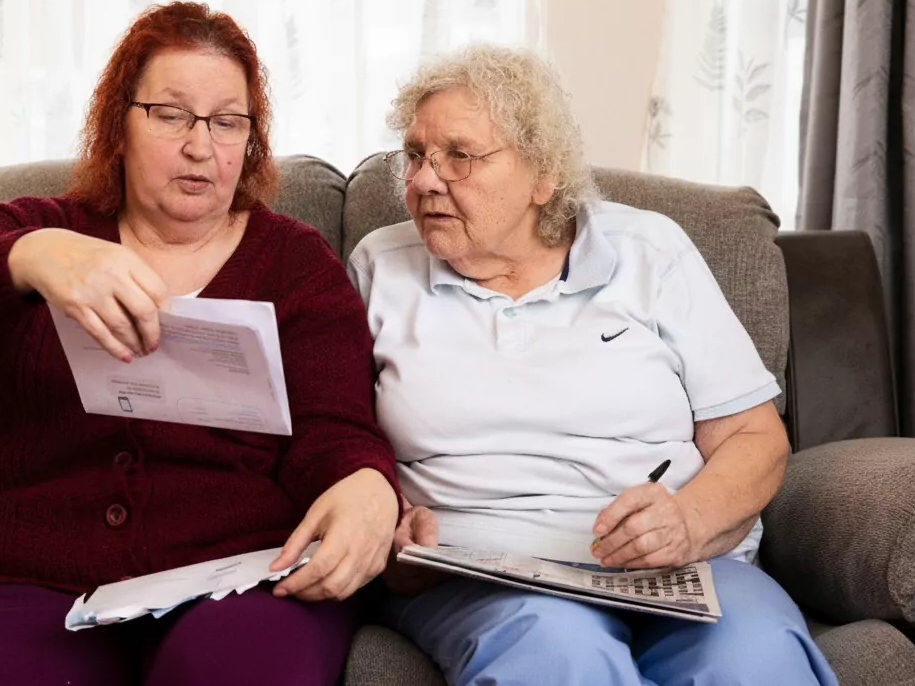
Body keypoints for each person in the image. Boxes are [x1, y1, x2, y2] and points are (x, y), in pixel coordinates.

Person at [0, 1, 400, 686]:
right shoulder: (39, 228)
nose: (200, 146)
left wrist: (366, 483)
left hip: (238, 579)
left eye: (226, 121)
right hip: (26, 579)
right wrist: (28, 259)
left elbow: (335, 431)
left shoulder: (296, 263)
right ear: (118, 126)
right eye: (171, 114)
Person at [347, 44, 839, 686]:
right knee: (560, 657)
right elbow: (337, 438)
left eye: (459, 157)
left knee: (755, 660)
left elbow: (753, 438)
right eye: (415, 156)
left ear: (542, 175)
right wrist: (390, 533)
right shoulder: (380, 266)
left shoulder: (650, 252)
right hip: (477, 570)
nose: (424, 181)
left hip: (678, 564)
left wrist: (688, 522)